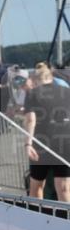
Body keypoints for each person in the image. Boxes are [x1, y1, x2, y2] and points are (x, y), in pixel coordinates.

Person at [24, 63, 70, 201]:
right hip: (65, 141)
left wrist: (28, 144)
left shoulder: (33, 93)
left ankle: (38, 217)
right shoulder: (67, 91)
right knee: (64, 188)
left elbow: (31, 120)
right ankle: (66, 220)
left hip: (42, 142)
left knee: (37, 186)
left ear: (35, 79)